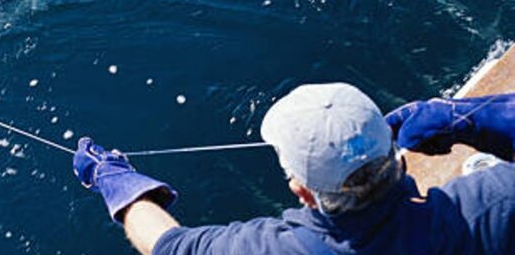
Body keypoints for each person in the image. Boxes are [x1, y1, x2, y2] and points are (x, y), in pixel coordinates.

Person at [74, 83, 515, 254]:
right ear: (397, 156)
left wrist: (113, 180)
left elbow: (168, 246)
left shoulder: (277, 251)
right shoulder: (494, 202)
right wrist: (472, 118)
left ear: (302, 192)